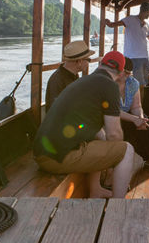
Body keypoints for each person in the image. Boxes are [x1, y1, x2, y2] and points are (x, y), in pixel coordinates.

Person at [33, 51, 135, 198]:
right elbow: (114, 134)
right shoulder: (110, 86)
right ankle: (118, 206)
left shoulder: (84, 81)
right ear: (120, 73)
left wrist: (109, 150)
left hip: (42, 153)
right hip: (56, 158)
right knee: (127, 150)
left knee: (99, 137)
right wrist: (113, 161)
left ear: (100, 65)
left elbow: (101, 133)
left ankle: (96, 190)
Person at [117, 57, 149, 170]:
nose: (127, 75)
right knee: (128, 128)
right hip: (112, 116)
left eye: (129, 73)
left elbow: (136, 106)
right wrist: (134, 119)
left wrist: (140, 118)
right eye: (125, 72)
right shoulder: (108, 85)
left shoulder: (132, 83)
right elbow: (110, 110)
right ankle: (120, 165)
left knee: (146, 127)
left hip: (127, 114)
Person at [105, 2, 149, 89]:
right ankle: (137, 102)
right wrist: (107, 22)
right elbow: (113, 25)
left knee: (144, 84)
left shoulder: (146, 25)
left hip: (144, 57)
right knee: (139, 85)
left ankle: (140, 102)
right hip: (133, 57)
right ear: (145, 11)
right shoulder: (130, 19)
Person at [44, 40, 95, 111]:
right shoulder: (57, 80)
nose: (89, 63)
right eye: (88, 60)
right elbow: (56, 112)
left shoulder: (73, 75)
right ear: (79, 61)